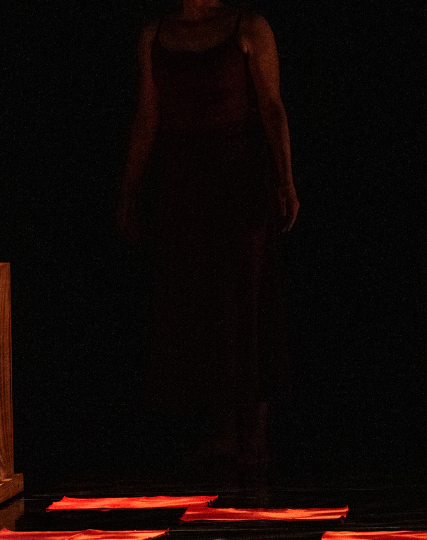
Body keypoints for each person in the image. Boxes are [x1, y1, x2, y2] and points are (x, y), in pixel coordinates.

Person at [117, 0, 298, 473]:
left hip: (237, 174)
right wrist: (130, 191)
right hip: (182, 179)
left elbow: (271, 105)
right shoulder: (155, 33)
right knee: (196, 303)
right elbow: (147, 114)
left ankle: (254, 438)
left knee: (245, 298)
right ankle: (220, 436)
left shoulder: (248, 26)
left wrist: (285, 179)